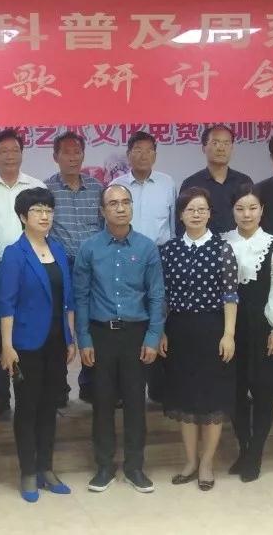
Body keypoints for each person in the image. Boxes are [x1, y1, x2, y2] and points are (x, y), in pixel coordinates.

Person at [75, 183, 165, 494]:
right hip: (100, 334)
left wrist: (153, 337)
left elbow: (156, 296)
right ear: (102, 210)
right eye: (113, 203)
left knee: (135, 403)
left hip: (135, 335)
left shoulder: (146, 248)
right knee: (101, 402)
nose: (120, 207)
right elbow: (81, 297)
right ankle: (104, 466)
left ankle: (135, 467)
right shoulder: (89, 248)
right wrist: (84, 339)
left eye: (126, 202)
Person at [0, 187, 77, 502]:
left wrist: (70, 337)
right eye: (37, 210)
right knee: (27, 408)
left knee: (50, 406)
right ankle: (28, 471)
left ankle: (46, 468)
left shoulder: (57, 249)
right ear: (22, 216)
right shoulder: (14, 253)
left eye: (48, 210)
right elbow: (6, 303)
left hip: (56, 342)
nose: (44, 216)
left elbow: (67, 299)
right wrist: (7, 345)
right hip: (25, 344)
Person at [158, 186, 238, 492]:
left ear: (209, 214)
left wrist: (228, 334)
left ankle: (207, 463)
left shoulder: (222, 249)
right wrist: (161, 330)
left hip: (212, 329)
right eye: (190, 209)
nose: (196, 214)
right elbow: (162, 296)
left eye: (202, 209)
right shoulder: (169, 250)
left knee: (211, 400)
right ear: (180, 215)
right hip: (178, 330)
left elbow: (230, 295)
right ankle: (190, 461)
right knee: (185, 400)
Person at [221, 183, 273, 483]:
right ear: (232, 211)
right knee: (235, 392)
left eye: (252, 208)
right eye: (240, 208)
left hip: (264, 327)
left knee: (264, 392)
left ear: (262, 210)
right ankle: (244, 448)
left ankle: (256, 453)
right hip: (231, 327)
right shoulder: (222, 242)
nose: (246, 214)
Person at [0, 128, 45, 417]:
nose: (9, 155)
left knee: (26, 329)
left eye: (15, 150)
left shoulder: (37, 187)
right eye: (3, 151)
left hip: (31, 268)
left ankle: (31, 394)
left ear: (22, 153)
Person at [111, 130, 178, 405]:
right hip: (126, 254)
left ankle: (161, 387)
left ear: (155, 154)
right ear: (128, 155)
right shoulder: (116, 185)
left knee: (159, 314)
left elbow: (174, 225)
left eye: (149, 150)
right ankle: (127, 387)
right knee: (131, 316)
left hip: (161, 255)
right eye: (137, 150)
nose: (143, 155)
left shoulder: (167, 183)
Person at [44, 131, 103, 404]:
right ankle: (59, 389)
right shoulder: (47, 190)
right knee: (60, 327)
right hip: (61, 265)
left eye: (77, 152)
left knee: (92, 324)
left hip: (93, 265)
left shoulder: (97, 188)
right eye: (66, 152)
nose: (72, 157)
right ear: (55, 156)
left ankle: (91, 386)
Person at [179, 125, 253, 235]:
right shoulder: (191, 183)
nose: (221, 148)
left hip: (238, 243)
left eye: (226, 143)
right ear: (203, 148)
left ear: (232, 148)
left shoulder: (244, 181)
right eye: (215, 143)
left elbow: (253, 218)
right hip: (203, 244)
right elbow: (181, 224)